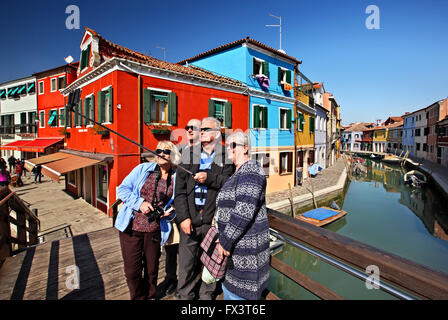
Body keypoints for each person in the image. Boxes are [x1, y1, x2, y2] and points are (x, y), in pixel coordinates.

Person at [174, 117, 234, 300]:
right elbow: (179, 191)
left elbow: (229, 184)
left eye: (205, 129)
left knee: (211, 269)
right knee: (186, 267)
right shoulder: (188, 154)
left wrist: (208, 178)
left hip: (212, 223)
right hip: (189, 223)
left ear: (216, 133)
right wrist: (183, 218)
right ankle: (186, 298)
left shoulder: (226, 156)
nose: (200, 131)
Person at [114, 141, 181, 300]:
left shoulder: (176, 176)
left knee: (152, 270)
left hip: (155, 229)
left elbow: (178, 201)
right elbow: (121, 189)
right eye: (158, 150)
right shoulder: (143, 169)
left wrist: (170, 212)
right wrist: (140, 203)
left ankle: (150, 296)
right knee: (132, 271)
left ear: (173, 155)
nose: (161, 154)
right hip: (131, 228)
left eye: (166, 151)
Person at [215, 132, 270, 300]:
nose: (228, 149)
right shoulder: (237, 174)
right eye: (227, 146)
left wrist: (224, 242)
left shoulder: (252, 169)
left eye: (233, 145)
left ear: (245, 148)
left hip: (245, 261)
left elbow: (244, 211)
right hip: (233, 259)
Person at [156, 118, 202, 299]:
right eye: (187, 128)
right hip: (170, 214)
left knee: (185, 251)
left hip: (186, 212)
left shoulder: (202, 155)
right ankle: (170, 277)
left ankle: (185, 283)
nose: (189, 130)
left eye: (194, 128)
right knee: (170, 249)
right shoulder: (182, 151)